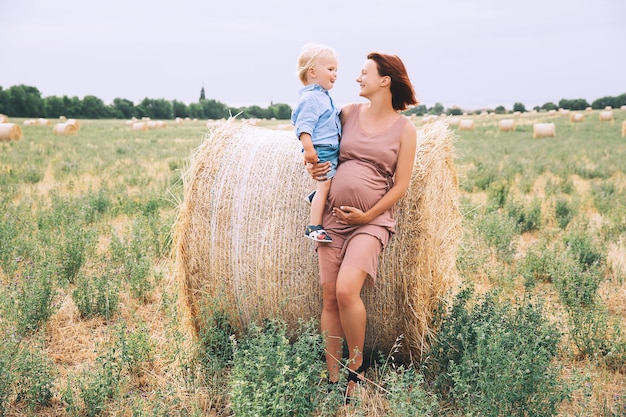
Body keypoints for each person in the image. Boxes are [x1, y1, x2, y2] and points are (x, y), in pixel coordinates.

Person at [306, 52, 418, 402]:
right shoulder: (347, 114)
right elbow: (321, 145)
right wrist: (313, 166)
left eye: (364, 73)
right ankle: (332, 376)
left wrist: (368, 216)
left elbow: (400, 186)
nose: (357, 78)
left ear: (385, 80)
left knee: (345, 291)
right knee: (329, 297)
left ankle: (357, 370)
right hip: (333, 220)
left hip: (372, 224)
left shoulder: (405, 129)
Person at [291, 43, 342, 243]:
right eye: (330, 69)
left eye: (336, 70)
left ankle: (315, 199)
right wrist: (309, 150)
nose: (335, 74)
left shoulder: (322, 96)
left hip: (329, 148)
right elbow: (304, 126)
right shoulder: (311, 98)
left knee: (331, 182)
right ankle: (314, 226)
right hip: (322, 150)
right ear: (312, 72)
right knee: (325, 184)